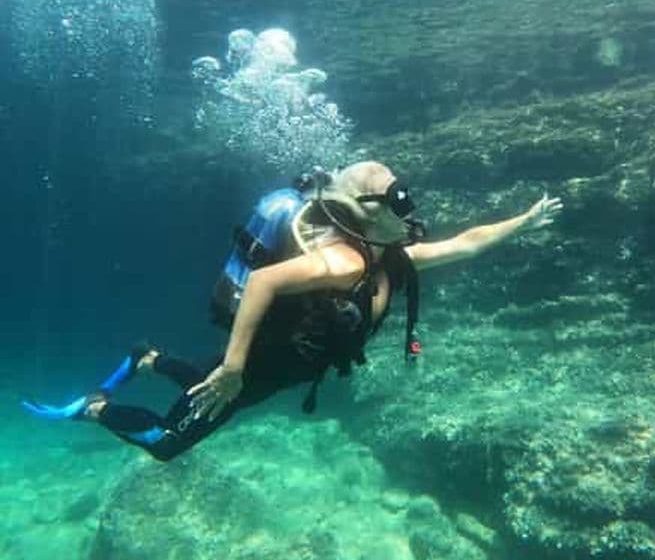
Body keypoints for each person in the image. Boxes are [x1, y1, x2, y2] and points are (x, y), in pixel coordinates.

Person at [23, 161, 562, 461]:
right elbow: (263, 280)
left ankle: (148, 357)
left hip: (275, 371)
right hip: (254, 368)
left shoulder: (394, 258)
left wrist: (523, 221)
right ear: (369, 213)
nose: (410, 213)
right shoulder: (343, 261)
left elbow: (467, 243)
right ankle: (95, 409)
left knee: (202, 383)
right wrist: (234, 368)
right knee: (167, 442)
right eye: (398, 202)